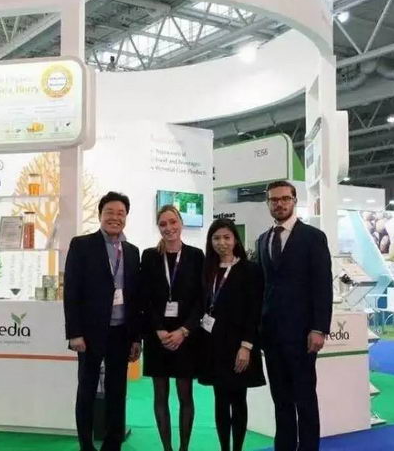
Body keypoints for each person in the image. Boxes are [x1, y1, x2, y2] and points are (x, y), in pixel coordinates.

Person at [257, 181, 333, 451]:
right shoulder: (262, 239)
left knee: (305, 399)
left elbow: (322, 285)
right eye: (273, 200)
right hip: (271, 336)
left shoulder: (313, 237)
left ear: (294, 200)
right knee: (281, 400)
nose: (279, 204)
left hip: (303, 336)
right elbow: (263, 287)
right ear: (268, 203)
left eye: (284, 199)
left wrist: (319, 328)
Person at [64, 191, 142, 451]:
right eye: (110, 212)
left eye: (121, 213)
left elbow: (135, 297)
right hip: (89, 333)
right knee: (87, 389)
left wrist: (136, 337)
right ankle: (86, 444)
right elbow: (71, 291)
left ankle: (112, 444)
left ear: (126, 218)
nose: (115, 218)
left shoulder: (132, 251)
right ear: (100, 215)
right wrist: (74, 333)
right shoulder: (82, 245)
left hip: (121, 332)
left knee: (117, 391)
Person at [141, 205, 204, 451]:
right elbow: (144, 297)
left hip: (186, 337)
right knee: (160, 395)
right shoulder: (149, 256)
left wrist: (184, 330)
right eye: (163, 224)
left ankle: (183, 448)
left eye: (173, 222)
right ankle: (167, 448)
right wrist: (158, 329)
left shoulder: (196, 256)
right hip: (157, 336)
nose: (169, 228)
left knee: (185, 394)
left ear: (181, 223)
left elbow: (201, 299)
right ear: (158, 227)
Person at [199, 218, 265, 451]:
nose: (222, 243)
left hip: (240, 346)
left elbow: (254, 311)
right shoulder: (207, 269)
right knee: (220, 401)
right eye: (216, 238)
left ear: (235, 240)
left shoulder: (251, 270)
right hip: (214, 346)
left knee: (238, 400)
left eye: (226, 237)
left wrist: (246, 346)